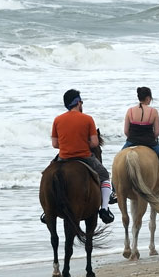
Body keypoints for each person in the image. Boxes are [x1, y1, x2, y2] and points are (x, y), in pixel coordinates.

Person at [51, 89, 114, 224]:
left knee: (48, 175)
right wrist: (82, 143)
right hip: (84, 156)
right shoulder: (87, 119)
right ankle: (104, 208)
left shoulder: (57, 120)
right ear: (78, 102)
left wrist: (68, 144)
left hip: (63, 157)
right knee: (104, 175)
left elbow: (55, 144)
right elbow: (95, 143)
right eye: (81, 102)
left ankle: (48, 209)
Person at [122, 87, 159, 201]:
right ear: (148, 98)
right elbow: (157, 132)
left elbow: (126, 131)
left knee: (117, 161)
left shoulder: (130, 111)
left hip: (131, 142)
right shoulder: (153, 111)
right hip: (150, 143)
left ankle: (115, 191)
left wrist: (134, 138)